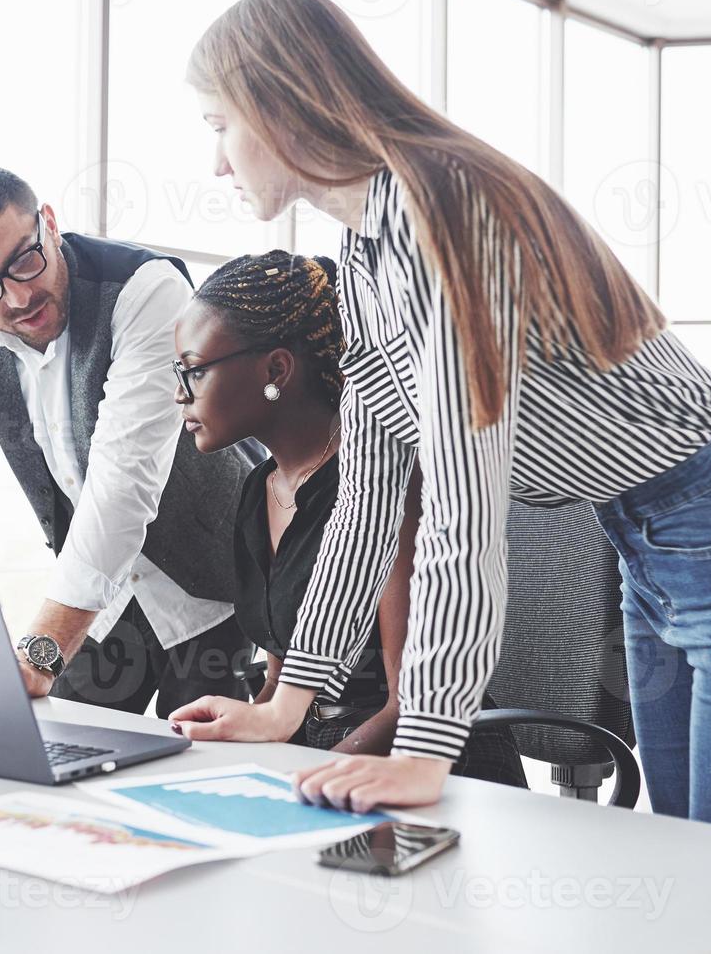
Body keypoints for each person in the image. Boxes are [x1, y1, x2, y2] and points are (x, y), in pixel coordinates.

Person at [173, 0, 711, 844]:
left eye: (217, 127)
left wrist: (425, 747)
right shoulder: (363, 253)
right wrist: (286, 705)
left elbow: (463, 512)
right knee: (706, 878)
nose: (216, 164)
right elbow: (368, 499)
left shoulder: (450, 211)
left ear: (277, 104)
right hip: (655, 545)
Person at [0, 163, 254, 716]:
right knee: (61, 744)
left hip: (217, 578)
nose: (18, 298)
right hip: (105, 593)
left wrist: (42, 651)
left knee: (199, 762)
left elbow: (123, 481)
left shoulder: (145, 289)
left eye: (24, 260)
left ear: (48, 222)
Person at [169, 249, 527, 787]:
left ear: (276, 370)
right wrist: (233, 740)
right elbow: (279, 684)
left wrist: (301, 778)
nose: (180, 394)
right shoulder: (255, 490)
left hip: (433, 769)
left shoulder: (385, 482)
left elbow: (409, 701)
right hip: (325, 764)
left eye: (194, 371)